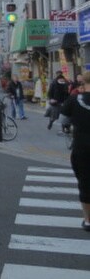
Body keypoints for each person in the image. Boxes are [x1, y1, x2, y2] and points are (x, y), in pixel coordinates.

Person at [60, 71, 90, 232]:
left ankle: (88, 220)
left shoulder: (74, 100)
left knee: (85, 183)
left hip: (82, 147)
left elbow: (63, 120)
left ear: (83, 84)